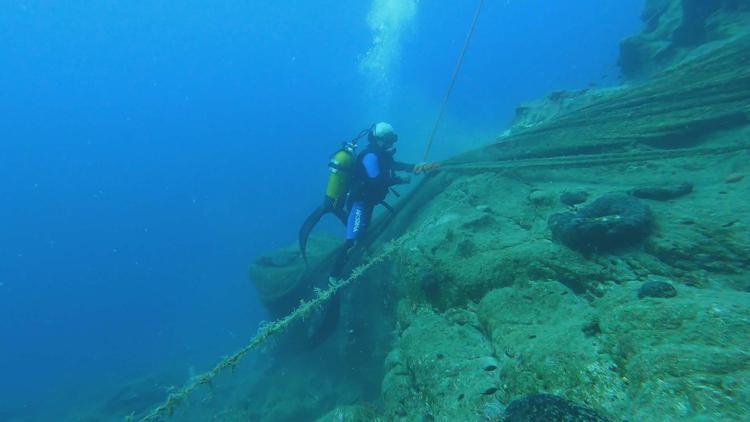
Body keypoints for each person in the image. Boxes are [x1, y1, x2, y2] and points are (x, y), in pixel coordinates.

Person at [329, 122, 437, 282]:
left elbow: (393, 165)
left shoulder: (382, 155)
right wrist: (400, 180)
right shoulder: (370, 156)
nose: (390, 143)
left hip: (368, 202)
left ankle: (355, 262)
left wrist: (415, 167)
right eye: (387, 140)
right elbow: (376, 181)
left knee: (363, 233)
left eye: (392, 139)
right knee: (352, 239)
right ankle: (333, 277)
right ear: (376, 139)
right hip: (359, 204)